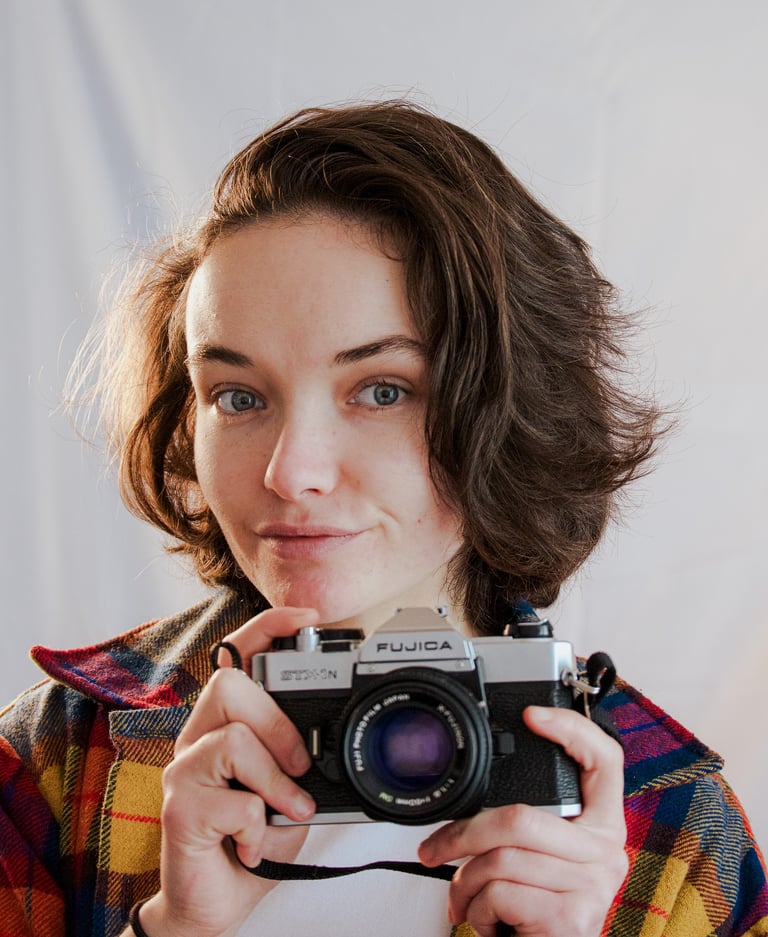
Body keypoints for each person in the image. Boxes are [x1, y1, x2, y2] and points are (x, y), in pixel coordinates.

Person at [1, 101, 766, 937]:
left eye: (383, 390)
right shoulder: (53, 763)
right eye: (238, 396)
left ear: (506, 412)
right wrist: (174, 928)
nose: (289, 471)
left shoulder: (674, 827)